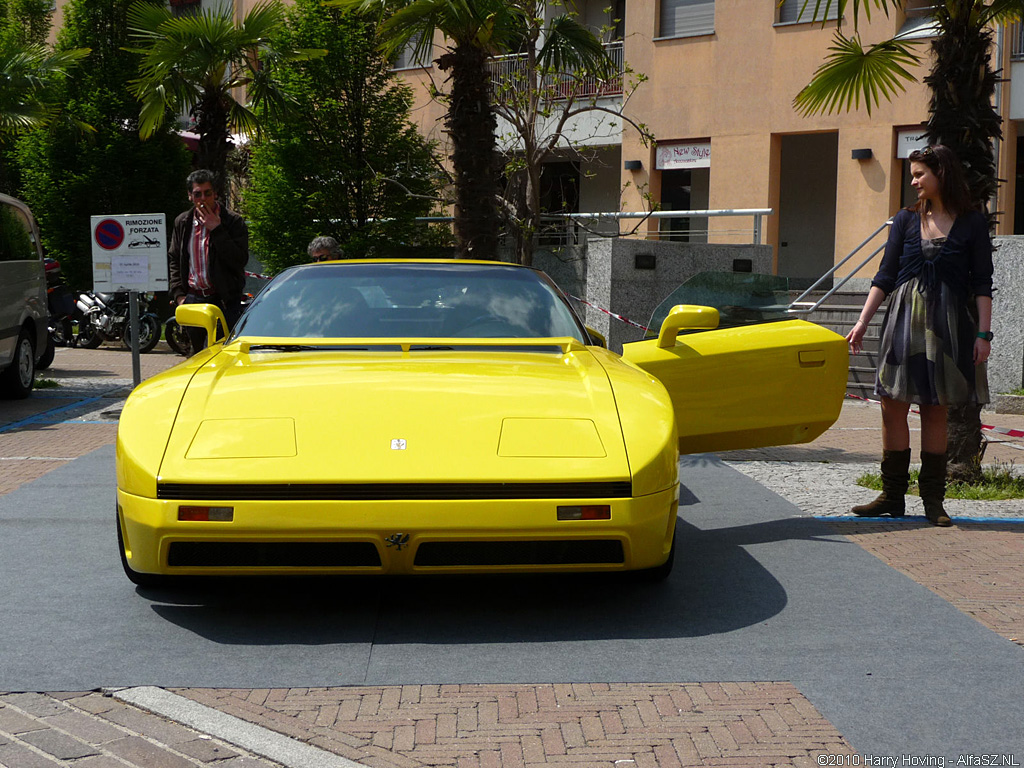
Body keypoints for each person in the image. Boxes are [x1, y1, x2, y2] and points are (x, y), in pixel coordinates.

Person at [845, 144, 994, 527]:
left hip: (950, 329)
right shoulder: (905, 220)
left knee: (935, 409)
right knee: (891, 405)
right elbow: (884, 276)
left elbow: (982, 284)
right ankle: (893, 495)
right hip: (902, 322)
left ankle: (932, 500)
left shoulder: (974, 223)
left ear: (940, 173)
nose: (913, 182)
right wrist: (862, 322)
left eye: (918, 174)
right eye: (912, 175)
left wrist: (984, 334)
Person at [168, 169, 249, 351]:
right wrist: (180, 295)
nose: (203, 199)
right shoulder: (183, 222)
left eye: (207, 193)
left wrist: (217, 230)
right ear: (190, 196)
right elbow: (174, 258)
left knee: (221, 355)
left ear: (216, 194)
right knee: (197, 355)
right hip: (194, 299)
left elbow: (239, 260)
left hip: (224, 301)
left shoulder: (233, 221)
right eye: (197, 194)